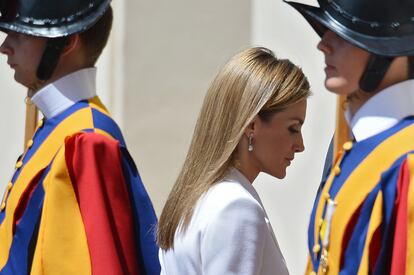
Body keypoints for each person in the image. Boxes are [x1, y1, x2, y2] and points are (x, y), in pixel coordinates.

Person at [0, 0, 160, 274]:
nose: (5, 46)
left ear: (67, 43)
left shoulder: (85, 141)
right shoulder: (60, 127)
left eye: (22, 34)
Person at [285, 0, 414, 274]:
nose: (323, 45)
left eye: (344, 36)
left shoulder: (407, 162)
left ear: (388, 52)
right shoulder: (355, 149)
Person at [157, 47, 310, 275]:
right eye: (293, 128)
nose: (300, 145)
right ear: (252, 126)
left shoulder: (196, 199)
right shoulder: (237, 207)